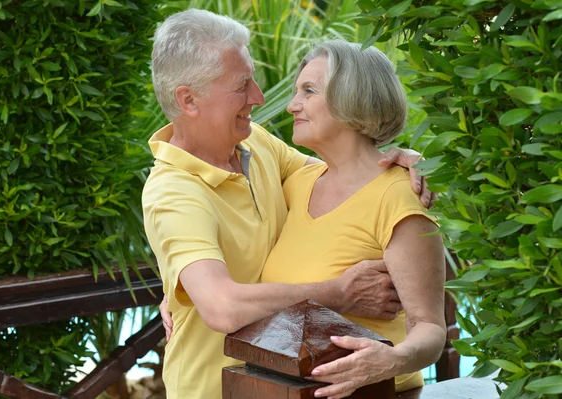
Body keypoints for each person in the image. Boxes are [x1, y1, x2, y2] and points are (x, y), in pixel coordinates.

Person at [143, 9, 433, 399]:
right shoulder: (173, 192)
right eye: (242, 85)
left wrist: (409, 159)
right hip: (215, 389)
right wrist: (338, 291)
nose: (263, 99)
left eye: (308, 91)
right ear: (188, 100)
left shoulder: (259, 146)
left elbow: (348, 174)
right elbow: (222, 306)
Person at [259, 41, 446, 398]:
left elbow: (430, 328)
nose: (291, 105)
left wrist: (393, 359)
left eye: (308, 91)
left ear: (353, 98)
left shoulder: (398, 194)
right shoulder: (296, 184)